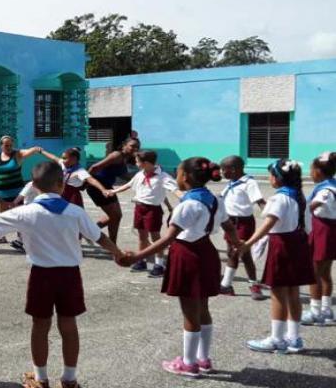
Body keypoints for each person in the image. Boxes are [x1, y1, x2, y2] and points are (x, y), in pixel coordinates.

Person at [0, 161, 126, 388]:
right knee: (68, 325)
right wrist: (119, 254)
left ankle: (41, 379)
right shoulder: (75, 212)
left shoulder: (26, 212)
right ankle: (69, 379)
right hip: (70, 276)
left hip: (41, 276)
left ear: (34, 185)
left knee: (40, 326)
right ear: (61, 184)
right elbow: (100, 238)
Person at [118, 157, 240, 378]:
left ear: (185, 177)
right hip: (206, 253)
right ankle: (203, 359)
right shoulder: (215, 200)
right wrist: (238, 246)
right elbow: (229, 227)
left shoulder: (188, 205)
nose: (176, 177)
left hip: (188, 255)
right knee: (203, 308)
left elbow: (168, 239)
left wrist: (137, 255)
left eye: (179, 173)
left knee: (190, 311)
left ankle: (189, 363)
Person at [242, 159, 315, 354]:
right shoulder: (300, 196)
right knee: (293, 292)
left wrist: (248, 243)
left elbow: (268, 224)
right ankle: (294, 337)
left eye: (271, 175)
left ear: (278, 178)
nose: (269, 178)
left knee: (278, 293)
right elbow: (309, 226)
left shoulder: (279, 198)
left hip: (282, 246)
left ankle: (277, 339)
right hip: (299, 243)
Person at [108, 150, 177, 277]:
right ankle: (141, 260)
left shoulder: (163, 177)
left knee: (155, 237)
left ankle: (159, 264)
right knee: (142, 236)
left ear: (145, 163)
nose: (135, 163)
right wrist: (114, 191)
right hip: (139, 208)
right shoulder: (140, 174)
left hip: (153, 210)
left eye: (137, 161)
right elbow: (129, 185)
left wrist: (184, 198)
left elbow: (175, 189)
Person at [218, 155, 266, 300]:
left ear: (233, 169)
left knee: (239, 252)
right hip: (230, 222)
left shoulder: (249, 183)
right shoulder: (231, 183)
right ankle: (239, 285)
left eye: (223, 169)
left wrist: (271, 216)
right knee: (236, 253)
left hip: (243, 223)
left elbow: (260, 201)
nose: (221, 173)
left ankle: (238, 285)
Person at [301, 152, 336, 325]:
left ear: (319, 172)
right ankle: (327, 309)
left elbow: (313, 205)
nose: (310, 173)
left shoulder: (326, 190)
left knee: (314, 272)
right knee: (325, 273)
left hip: (324, 231)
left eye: (311, 170)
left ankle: (315, 311)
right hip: (329, 230)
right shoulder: (333, 185)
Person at [0, 136, 42, 244]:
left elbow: (26, 152)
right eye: (6, 145)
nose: (8, 147)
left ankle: (21, 238)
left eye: (10, 145)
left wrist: (35, 149)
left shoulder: (16, 154)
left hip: (16, 191)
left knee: (19, 214)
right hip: (1, 191)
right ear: (1, 146)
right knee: (1, 214)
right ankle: (2, 237)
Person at [87, 137, 141, 243]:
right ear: (124, 145)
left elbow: (125, 176)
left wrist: (142, 178)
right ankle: (111, 244)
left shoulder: (125, 158)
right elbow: (94, 168)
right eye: (132, 146)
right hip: (98, 187)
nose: (135, 149)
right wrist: (85, 181)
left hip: (108, 186)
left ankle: (88, 232)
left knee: (116, 216)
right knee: (115, 216)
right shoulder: (117, 155)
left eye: (137, 147)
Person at [38, 147, 111, 208]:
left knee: (74, 215)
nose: (62, 160)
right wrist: (41, 151)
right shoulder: (63, 164)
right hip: (61, 194)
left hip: (72, 197)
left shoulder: (80, 171)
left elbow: (91, 180)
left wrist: (103, 190)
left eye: (65, 158)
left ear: (74, 159)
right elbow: (53, 157)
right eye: (62, 158)